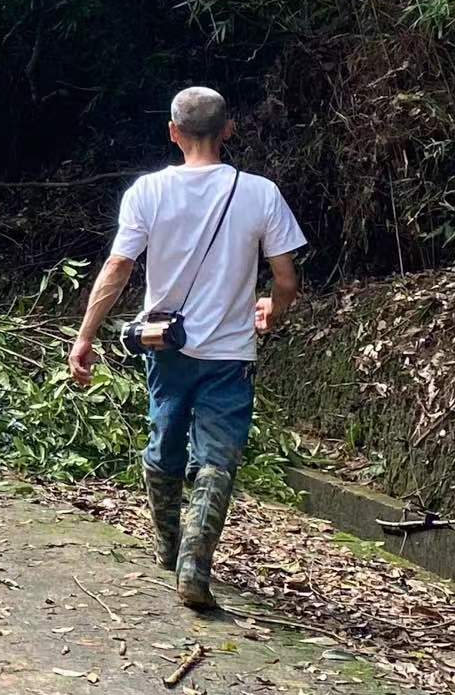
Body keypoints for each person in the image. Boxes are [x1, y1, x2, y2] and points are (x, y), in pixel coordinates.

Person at [65, 86, 306, 611]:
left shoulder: (147, 192)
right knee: (217, 456)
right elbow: (286, 280)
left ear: (172, 132)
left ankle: (168, 543)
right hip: (231, 352)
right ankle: (197, 562)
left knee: (164, 440)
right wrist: (272, 309)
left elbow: (118, 267)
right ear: (228, 130)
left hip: (165, 345)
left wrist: (85, 336)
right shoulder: (260, 193)